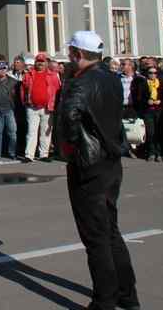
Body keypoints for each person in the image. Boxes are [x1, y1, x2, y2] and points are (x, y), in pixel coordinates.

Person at [58, 31, 139, 310]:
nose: (68, 57)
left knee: (96, 236)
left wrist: (71, 146)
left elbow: (69, 115)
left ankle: (104, 300)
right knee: (110, 229)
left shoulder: (80, 82)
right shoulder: (113, 78)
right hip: (110, 160)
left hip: (88, 162)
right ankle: (127, 295)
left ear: (78, 54)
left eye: (70, 52)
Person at [21, 53, 61, 162]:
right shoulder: (28, 74)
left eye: (42, 62)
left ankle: (44, 154)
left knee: (46, 132)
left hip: (47, 108)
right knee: (31, 132)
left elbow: (57, 91)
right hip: (32, 107)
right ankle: (29, 155)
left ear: (46, 63)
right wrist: (25, 102)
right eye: (38, 61)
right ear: (35, 62)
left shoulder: (53, 76)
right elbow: (23, 90)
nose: (40, 63)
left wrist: (54, 105)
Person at [140, 64, 163, 161]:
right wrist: (147, 101)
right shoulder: (143, 84)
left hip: (159, 111)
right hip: (148, 111)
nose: (153, 75)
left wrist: (160, 101)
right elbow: (139, 97)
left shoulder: (160, 84)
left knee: (158, 132)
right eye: (150, 73)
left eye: (155, 73)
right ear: (147, 74)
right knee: (150, 133)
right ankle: (151, 152)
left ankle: (159, 153)